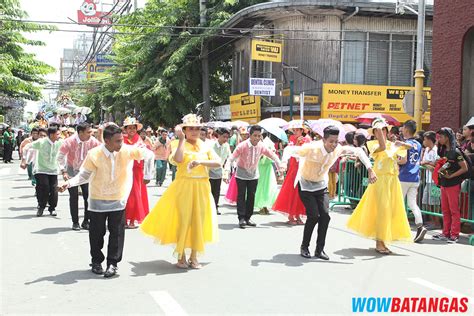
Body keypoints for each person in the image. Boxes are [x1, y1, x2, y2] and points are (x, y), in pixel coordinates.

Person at [58, 124, 153, 278]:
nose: (121, 144)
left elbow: (149, 155)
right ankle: (96, 261)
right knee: (96, 233)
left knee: (117, 233)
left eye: (121, 140)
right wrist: (68, 183)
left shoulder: (127, 150)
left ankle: (112, 264)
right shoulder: (94, 154)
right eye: (117, 141)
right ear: (107, 141)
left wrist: (147, 175)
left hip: (118, 198)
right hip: (97, 199)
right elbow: (84, 175)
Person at [283, 126, 376, 260]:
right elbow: (288, 150)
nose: (334, 144)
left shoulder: (338, 149)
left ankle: (319, 249)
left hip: (321, 185)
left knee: (325, 216)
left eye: (336, 141)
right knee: (313, 216)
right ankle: (304, 247)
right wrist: (282, 163)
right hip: (306, 184)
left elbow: (358, 152)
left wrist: (370, 169)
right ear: (324, 140)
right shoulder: (311, 148)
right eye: (331, 141)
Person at [141, 114, 221, 269]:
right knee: (184, 220)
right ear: (184, 130)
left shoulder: (205, 145)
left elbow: (217, 162)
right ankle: (181, 255)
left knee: (199, 220)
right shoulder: (177, 143)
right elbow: (177, 160)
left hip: (202, 187)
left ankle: (194, 256)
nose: (194, 132)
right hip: (184, 186)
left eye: (197, 129)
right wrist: (182, 140)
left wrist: (200, 162)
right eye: (190, 129)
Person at [347, 119, 412, 254]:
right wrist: (379, 127)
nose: (381, 132)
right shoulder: (372, 144)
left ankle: (384, 241)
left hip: (393, 181)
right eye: (377, 130)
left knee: (391, 210)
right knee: (382, 210)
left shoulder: (392, 144)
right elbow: (382, 147)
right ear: (374, 133)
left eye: (383, 130)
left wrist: (401, 146)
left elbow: (405, 157)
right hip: (380, 181)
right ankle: (379, 242)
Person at [224, 125, 283, 229]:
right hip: (241, 173)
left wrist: (280, 166)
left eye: (259, 136)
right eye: (255, 135)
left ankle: (248, 217)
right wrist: (227, 170)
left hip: (254, 174)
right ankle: (241, 218)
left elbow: (273, 156)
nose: (257, 138)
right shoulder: (242, 146)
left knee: (251, 196)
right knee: (241, 196)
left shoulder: (262, 146)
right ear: (250, 136)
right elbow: (231, 158)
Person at [58, 123, 101, 230]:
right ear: (80, 132)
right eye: (88, 132)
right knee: (74, 197)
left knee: (88, 197)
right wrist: (63, 171)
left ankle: (86, 221)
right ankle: (75, 222)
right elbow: (60, 157)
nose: (90, 134)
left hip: (86, 171)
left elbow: (102, 151)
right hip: (71, 170)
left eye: (91, 132)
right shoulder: (69, 141)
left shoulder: (93, 141)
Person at [432, 128, 469, 243]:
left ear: (447, 137)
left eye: (441, 137)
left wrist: (451, 176)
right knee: (445, 210)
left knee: (454, 210)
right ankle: (445, 233)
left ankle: (454, 235)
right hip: (444, 183)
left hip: (453, 184)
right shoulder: (443, 151)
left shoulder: (456, 151)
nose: (439, 139)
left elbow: (465, 168)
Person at [272, 123, 311, 225]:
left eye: (297, 130)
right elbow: (290, 152)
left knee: (302, 192)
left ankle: (298, 215)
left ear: (302, 130)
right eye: (294, 130)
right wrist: (297, 144)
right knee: (292, 191)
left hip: (304, 168)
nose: (295, 132)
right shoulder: (292, 139)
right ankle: (291, 215)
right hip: (294, 167)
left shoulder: (308, 140)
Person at [21, 126, 62, 217]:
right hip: (41, 169)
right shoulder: (41, 142)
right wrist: (24, 160)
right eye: (57, 134)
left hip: (53, 170)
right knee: (44, 187)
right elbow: (26, 147)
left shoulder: (59, 143)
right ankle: (41, 206)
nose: (59, 136)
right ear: (51, 135)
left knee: (54, 189)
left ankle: (52, 208)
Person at [397, 120, 427, 243]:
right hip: (415, 177)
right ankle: (420, 226)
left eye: (403, 127)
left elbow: (403, 161)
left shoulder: (405, 144)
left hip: (404, 176)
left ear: (407, 129)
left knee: (398, 203)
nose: (402, 130)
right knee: (412, 204)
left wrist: (395, 160)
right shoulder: (418, 144)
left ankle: (399, 228)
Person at [122, 117, 153, 229]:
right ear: (125, 129)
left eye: (133, 128)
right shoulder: (121, 140)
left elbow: (147, 155)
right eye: (129, 128)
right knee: (124, 195)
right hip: (124, 170)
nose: (131, 130)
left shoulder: (139, 140)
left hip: (136, 170)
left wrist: (148, 174)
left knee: (135, 195)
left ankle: (132, 220)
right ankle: (124, 219)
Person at [254, 133, 280, 214]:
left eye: (260, 135)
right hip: (261, 167)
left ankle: (265, 205)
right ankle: (261, 206)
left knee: (269, 186)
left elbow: (273, 154)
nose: (259, 137)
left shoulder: (269, 143)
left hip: (268, 167)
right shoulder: (258, 144)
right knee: (261, 186)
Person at [209, 128, 231, 215]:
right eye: (224, 137)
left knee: (217, 191)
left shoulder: (226, 146)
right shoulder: (212, 145)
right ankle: (208, 207)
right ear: (218, 136)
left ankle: (215, 207)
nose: (225, 139)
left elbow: (229, 158)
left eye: (227, 137)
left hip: (219, 171)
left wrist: (226, 173)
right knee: (209, 191)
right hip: (209, 171)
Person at [421, 131, 440, 212]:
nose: (423, 142)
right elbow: (422, 162)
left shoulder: (436, 150)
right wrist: (428, 164)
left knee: (435, 202)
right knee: (425, 201)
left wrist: (427, 163)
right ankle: (431, 220)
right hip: (428, 180)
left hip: (434, 181)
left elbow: (436, 164)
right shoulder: (426, 149)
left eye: (425, 139)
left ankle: (436, 222)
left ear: (429, 140)